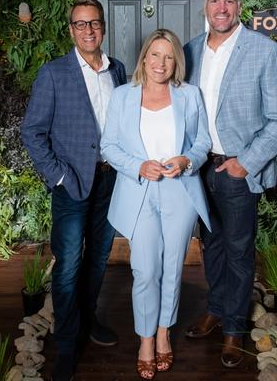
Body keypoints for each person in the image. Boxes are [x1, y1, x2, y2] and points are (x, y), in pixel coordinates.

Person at [183, 0, 277, 368]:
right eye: (214, 1)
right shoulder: (190, 51)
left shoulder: (265, 52)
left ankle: (234, 328)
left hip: (236, 168)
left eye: (229, 1)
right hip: (200, 168)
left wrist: (244, 163)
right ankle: (216, 308)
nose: (221, 9)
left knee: (238, 251)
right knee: (210, 246)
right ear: (205, 5)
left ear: (239, 6)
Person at [21, 0, 127, 381]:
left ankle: (88, 319)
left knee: (98, 258)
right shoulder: (54, 74)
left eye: (94, 23)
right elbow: (32, 132)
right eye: (80, 25)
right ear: (71, 30)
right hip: (71, 184)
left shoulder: (118, 70)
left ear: (103, 27)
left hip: (110, 180)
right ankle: (67, 344)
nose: (88, 31)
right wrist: (59, 176)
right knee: (68, 266)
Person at [101, 29, 212, 380]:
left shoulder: (190, 95)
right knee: (145, 270)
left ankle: (163, 334)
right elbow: (109, 147)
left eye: (168, 56)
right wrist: (137, 166)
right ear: (144, 57)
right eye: (154, 55)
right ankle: (145, 339)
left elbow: (203, 143)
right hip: (139, 190)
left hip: (180, 190)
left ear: (176, 61)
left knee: (172, 269)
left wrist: (186, 160)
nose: (160, 63)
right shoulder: (122, 96)